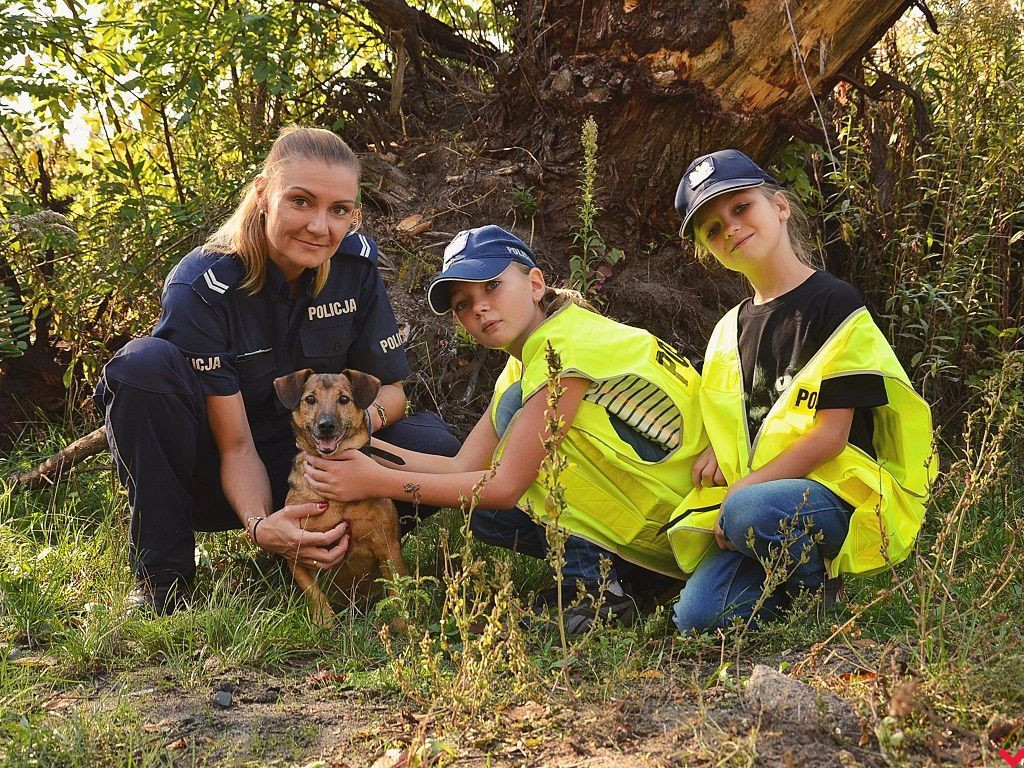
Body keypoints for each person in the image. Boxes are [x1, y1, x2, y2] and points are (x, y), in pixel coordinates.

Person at [94, 126, 460, 614]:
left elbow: (392, 392)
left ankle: (338, 556)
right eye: (302, 201)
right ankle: (164, 582)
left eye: (340, 210)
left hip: (320, 457)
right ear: (264, 194)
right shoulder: (204, 284)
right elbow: (236, 444)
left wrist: (353, 432)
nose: (320, 227)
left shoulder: (354, 266)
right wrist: (261, 525)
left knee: (432, 442)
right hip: (220, 468)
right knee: (143, 367)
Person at [301, 225, 709, 633]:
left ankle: (593, 594)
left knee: (519, 471)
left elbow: (502, 487)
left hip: (683, 521)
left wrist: (377, 483)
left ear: (535, 284)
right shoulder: (529, 359)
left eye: (492, 285)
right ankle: (635, 579)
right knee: (485, 516)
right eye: (463, 303)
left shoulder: (563, 354)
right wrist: (361, 453)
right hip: (663, 502)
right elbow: (463, 464)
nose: (478, 308)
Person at [666, 148, 937, 633]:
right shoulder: (728, 330)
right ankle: (786, 586)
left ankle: (819, 593)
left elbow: (830, 436)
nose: (729, 227)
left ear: (780, 207)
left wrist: (740, 495)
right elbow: (742, 414)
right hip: (764, 507)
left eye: (740, 207)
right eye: (711, 228)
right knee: (697, 618)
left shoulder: (835, 303)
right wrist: (713, 444)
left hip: (834, 495)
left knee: (750, 508)